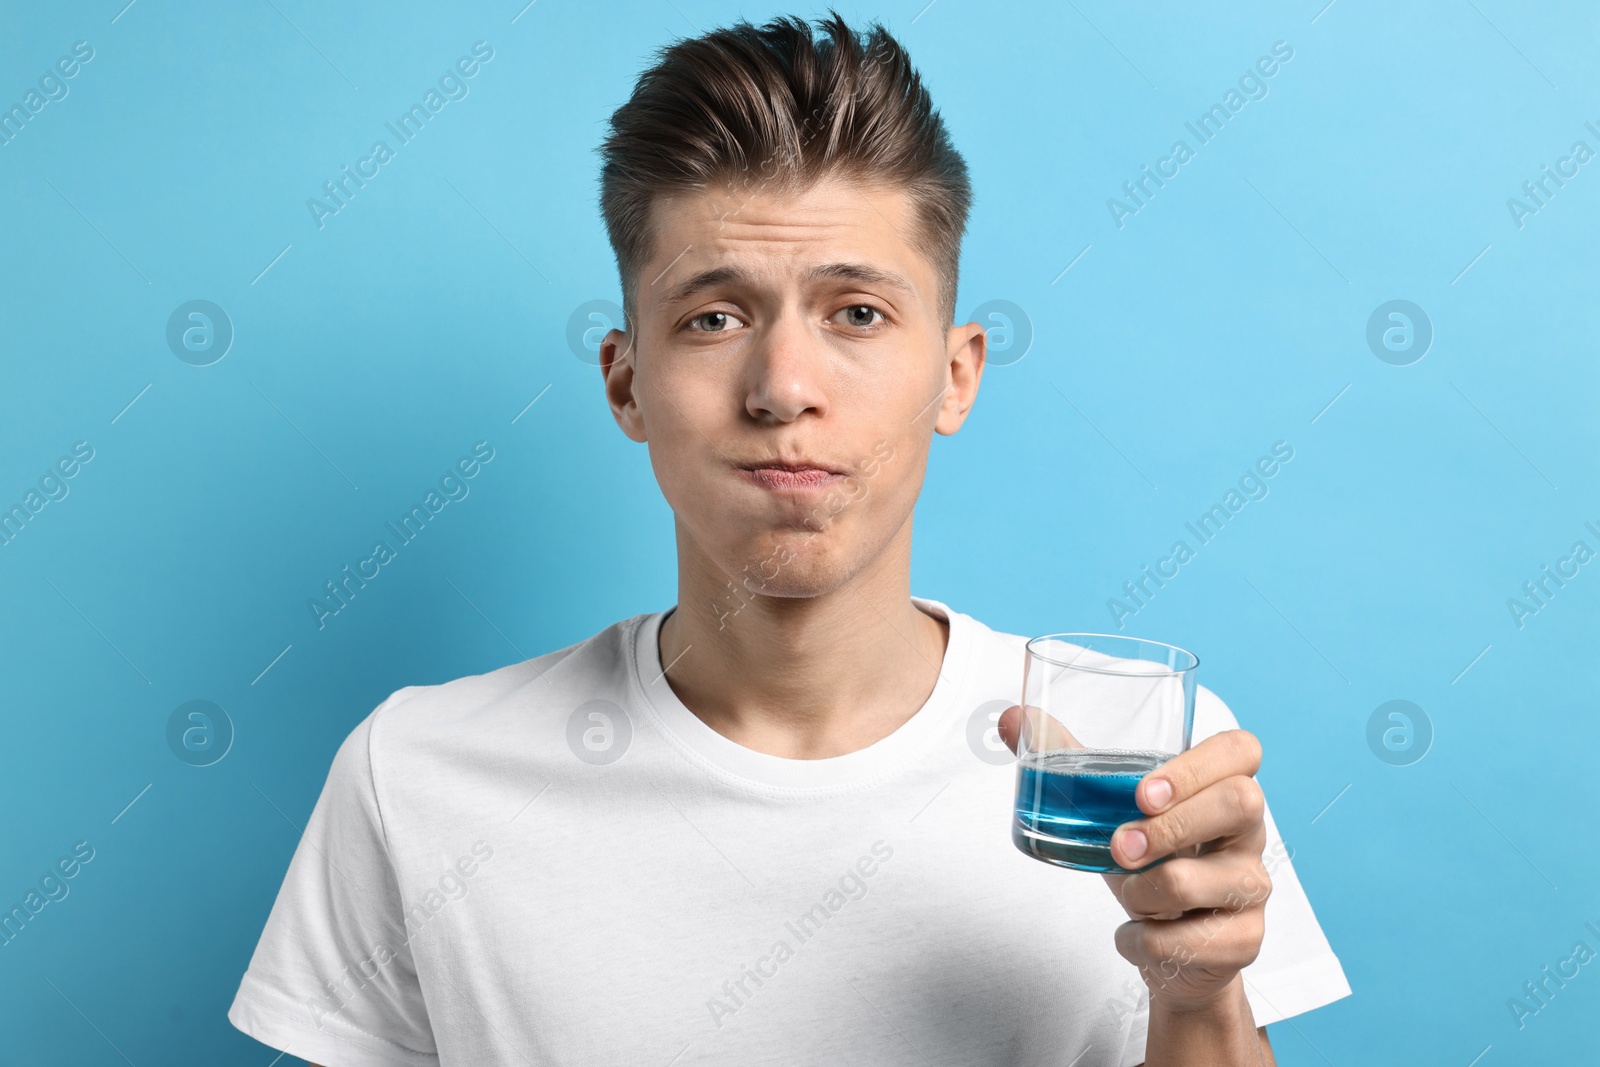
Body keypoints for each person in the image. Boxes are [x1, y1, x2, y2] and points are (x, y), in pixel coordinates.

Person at [228, 11, 1350, 1065]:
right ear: (625, 383)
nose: (782, 386)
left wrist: (1196, 995)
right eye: (713, 317)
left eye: (856, 311)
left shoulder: (1145, 757)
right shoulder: (418, 774)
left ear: (955, 375)